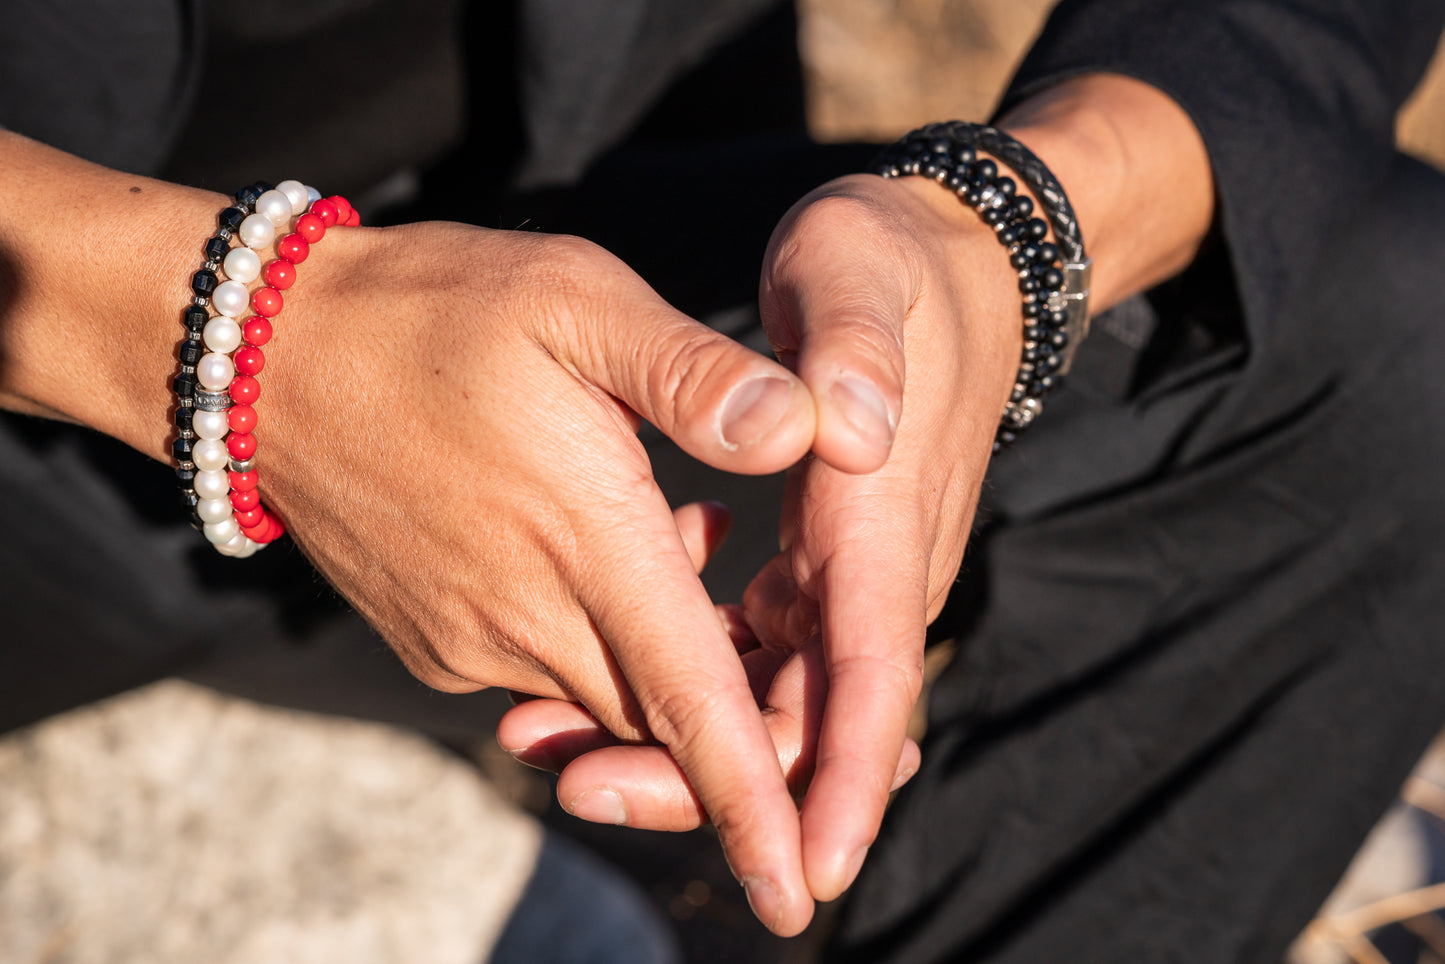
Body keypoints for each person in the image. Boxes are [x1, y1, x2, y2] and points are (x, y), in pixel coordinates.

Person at [2, 0, 1443, 959]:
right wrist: (256, 337)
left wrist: (1009, 246)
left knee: (1391, 337)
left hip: (595, 335)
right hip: (52, 418)